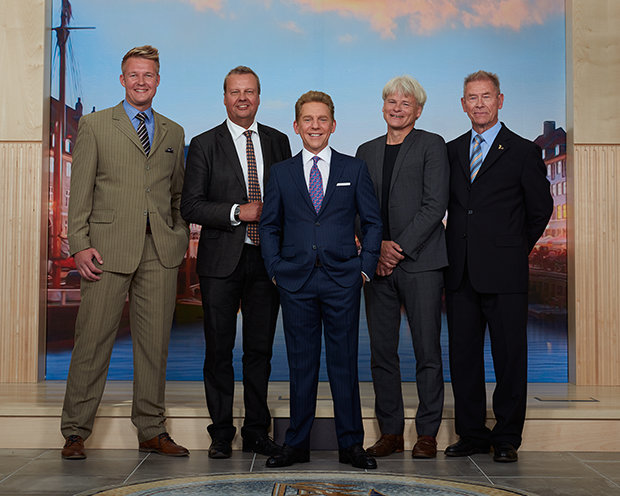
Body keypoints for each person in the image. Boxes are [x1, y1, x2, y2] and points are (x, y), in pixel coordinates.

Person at [61, 45, 190, 459]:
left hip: (160, 252)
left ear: (158, 81)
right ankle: (75, 432)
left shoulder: (173, 132)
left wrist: (179, 236)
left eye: (148, 75)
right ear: (122, 80)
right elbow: (80, 192)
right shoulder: (96, 125)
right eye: (133, 75)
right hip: (106, 251)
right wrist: (79, 244)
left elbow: (176, 195)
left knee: (154, 346)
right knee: (92, 341)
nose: (141, 82)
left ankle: (151, 429)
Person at [260, 91, 382, 469]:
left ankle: (351, 445)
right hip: (295, 281)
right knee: (301, 365)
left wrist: (365, 268)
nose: (315, 126)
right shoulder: (281, 172)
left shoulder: (353, 169)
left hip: (342, 280)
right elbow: (269, 226)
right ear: (296, 126)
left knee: (344, 364)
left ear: (333, 125)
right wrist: (275, 269)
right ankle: (296, 444)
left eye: (322, 119)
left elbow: (373, 223)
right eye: (308, 120)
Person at [180, 66, 291, 459]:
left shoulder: (278, 141)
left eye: (249, 91)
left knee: (260, 351)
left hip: (266, 261)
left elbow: (287, 199)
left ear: (259, 97)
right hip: (220, 263)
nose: (243, 98)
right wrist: (236, 212)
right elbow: (190, 205)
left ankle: (257, 432)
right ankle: (221, 434)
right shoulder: (203, 144)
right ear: (225, 97)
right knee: (219, 351)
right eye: (235, 92)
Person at [444, 70, 553, 463]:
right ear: (463, 104)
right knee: (464, 359)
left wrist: (514, 248)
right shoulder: (451, 151)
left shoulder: (523, 151)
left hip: (505, 272)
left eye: (486, 96)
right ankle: (472, 433)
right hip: (460, 272)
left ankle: (506, 437)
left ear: (500, 100)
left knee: (509, 358)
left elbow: (541, 209)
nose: (479, 104)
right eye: (472, 97)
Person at [356, 76, 448, 459]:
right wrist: (376, 248)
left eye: (405, 103)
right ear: (383, 107)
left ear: (418, 111)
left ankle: (427, 434)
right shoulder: (365, 151)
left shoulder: (432, 145)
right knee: (382, 353)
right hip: (377, 265)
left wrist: (397, 249)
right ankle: (390, 432)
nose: (397, 108)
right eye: (391, 101)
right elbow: (357, 207)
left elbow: (435, 205)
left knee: (427, 351)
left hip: (421, 264)